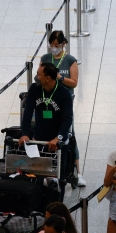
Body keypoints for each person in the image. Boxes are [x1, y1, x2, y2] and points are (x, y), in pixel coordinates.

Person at [40, 31, 84, 185]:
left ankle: (77, 171)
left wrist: (59, 78)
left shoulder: (70, 60)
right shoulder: (46, 59)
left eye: (57, 45)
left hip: (65, 102)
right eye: (51, 45)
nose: (54, 48)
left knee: (69, 133)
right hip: (47, 102)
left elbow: (74, 82)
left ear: (63, 44)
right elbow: (39, 77)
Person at [19, 63, 74, 161]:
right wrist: (25, 134)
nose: (36, 77)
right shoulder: (34, 89)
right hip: (39, 138)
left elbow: (68, 118)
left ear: (47, 78)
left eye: (39, 74)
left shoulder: (64, 94)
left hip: (57, 141)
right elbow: (28, 112)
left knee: (58, 173)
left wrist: (58, 138)